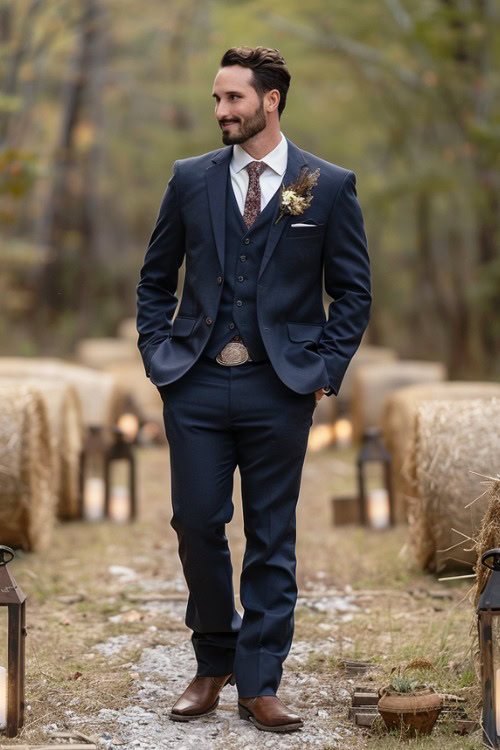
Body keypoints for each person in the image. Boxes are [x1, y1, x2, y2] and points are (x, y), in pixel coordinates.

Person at [136, 45, 371, 733]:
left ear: (270, 100)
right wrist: (159, 356)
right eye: (216, 99)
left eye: (233, 98)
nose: (221, 111)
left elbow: (352, 292)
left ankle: (260, 682)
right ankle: (214, 662)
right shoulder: (189, 179)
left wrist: (324, 370)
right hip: (197, 384)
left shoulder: (324, 185)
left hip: (282, 387)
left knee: (272, 536)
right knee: (198, 522)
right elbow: (155, 280)